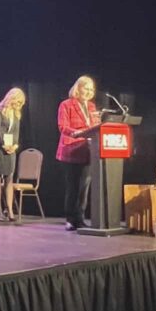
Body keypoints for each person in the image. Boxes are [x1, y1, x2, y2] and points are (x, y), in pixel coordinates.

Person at [57, 75, 101, 231]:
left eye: (91, 89)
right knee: (73, 187)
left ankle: (80, 218)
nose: (89, 92)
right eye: (86, 88)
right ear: (78, 88)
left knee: (84, 188)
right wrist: (78, 133)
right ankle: (70, 219)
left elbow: (96, 126)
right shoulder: (66, 105)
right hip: (71, 150)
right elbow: (63, 126)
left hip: (88, 151)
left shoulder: (92, 107)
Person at [0, 87, 26, 222]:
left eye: (20, 104)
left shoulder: (16, 114)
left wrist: (15, 145)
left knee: (9, 178)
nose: (17, 105)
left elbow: (16, 132)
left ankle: (10, 210)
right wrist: (3, 144)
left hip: (11, 150)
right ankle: (0, 211)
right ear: (10, 98)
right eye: (16, 102)